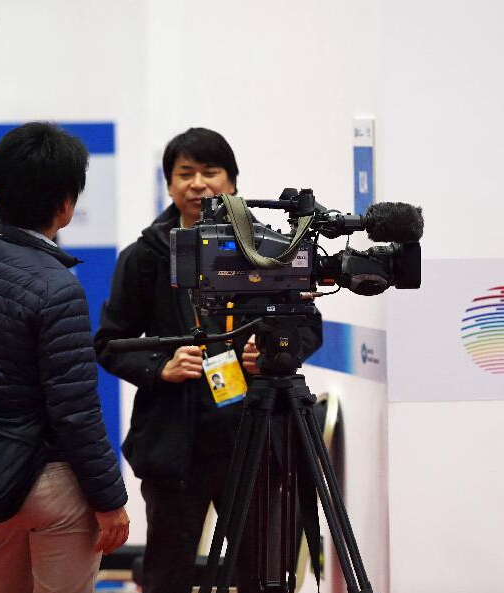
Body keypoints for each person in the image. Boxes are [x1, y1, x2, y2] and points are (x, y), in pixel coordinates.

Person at [94, 127, 322, 593]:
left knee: (257, 574)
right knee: (167, 575)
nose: (198, 183)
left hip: (253, 437)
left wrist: (278, 353)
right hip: (176, 445)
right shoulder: (143, 258)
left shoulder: (267, 251)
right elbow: (109, 344)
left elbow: (308, 325)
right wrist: (161, 365)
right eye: (185, 174)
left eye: (210, 172)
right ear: (170, 185)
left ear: (232, 183)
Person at [0, 122, 129, 593]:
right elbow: (76, 411)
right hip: (52, 485)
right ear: (65, 203)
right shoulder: (58, 286)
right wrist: (110, 500)